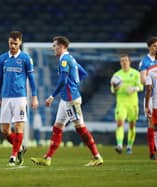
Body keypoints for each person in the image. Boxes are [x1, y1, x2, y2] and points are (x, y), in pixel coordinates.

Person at [30, 36, 103, 167]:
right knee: (57, 127)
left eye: (55, 46)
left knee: (80, 128)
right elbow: (83, 73)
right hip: (66, 99)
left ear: (62, 46)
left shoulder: (64, 59)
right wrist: (74, 82)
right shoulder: (72, 59)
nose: (53, 48)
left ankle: (97, 156)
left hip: (70, 99)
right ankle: (47, 158)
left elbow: (63, 81)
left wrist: (52, 96)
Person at [0, 31, 39, 166]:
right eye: (10, 43)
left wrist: (34, 97)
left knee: (19, 127)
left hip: (20, 97)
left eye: (15, 43)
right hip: (6, 98)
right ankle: (19, 148)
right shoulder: (2, 58)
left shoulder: (25, 58)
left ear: (20, 42)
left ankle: (13, 156)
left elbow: (31, 79)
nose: (12, 46)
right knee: (4, 130)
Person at [110, 54, 143, 154]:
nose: (124, 62)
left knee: (132, 125)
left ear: (129, 62)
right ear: (120, 63)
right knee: (119, 123)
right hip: (121, 103)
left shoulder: (136, 73)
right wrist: (115, 88)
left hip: (133, 104)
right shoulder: (116, 75)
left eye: (126, 60)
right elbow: (112, 91)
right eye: (122, 61)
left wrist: (134, 88)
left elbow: (141, 87)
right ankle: (119, 145)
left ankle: (129, 145)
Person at [139, 36, 157, 160]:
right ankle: (152, 150)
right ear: (149, 47)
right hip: (151, 97)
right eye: (154, 46)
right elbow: (142, 80)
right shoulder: (145, 61)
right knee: (151, 123)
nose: (156, 48)